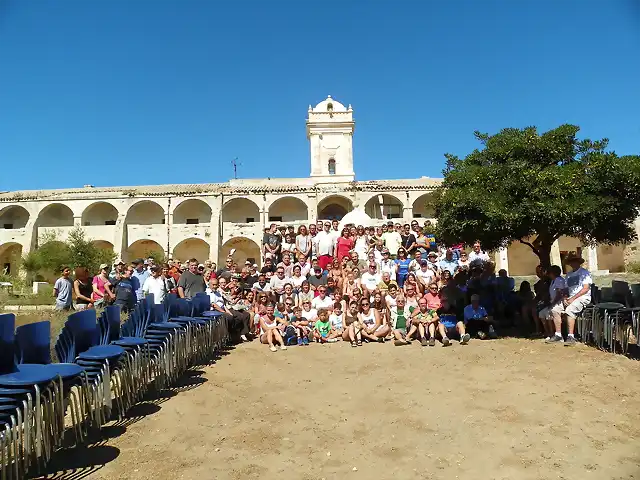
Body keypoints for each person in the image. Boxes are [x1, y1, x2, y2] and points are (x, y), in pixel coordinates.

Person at [549, 254, 592, 346]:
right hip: (570, 298)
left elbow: (585, 289)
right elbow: (566, 289)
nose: (573, 263)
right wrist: (565, 297)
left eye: (574, 261)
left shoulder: (584, 273)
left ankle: (571, 336)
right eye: (571, 262)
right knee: (555, 309)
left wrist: (572, 298)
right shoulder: (568, 275)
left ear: (578, 262)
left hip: (582, 297)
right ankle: (558, 335)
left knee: (569, 310)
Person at [540, 265, 566, 342]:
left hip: (559, 302)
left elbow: (559, 293)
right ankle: (549, 333)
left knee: (552, 311)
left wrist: (553, 303)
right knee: (542, 313)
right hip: (553, 302)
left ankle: (557, 334)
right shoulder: (553, 281)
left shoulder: (559, 280)